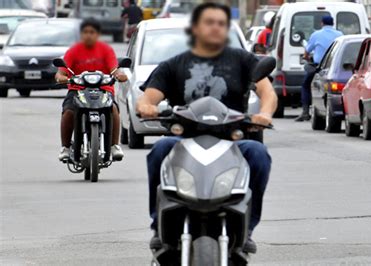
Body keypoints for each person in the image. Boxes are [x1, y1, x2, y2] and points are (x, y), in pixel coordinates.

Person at [136, 2, 277, 254]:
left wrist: (264, 114)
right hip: (185, 140)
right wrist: (147, 106)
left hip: (233, 140)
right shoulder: (173, 64)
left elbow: (267, 92)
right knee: (159, 149)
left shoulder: (243, 60)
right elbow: (149, 97)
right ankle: (159, 223)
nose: (215, 28)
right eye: (209, 23)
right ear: (196, 29)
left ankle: (248, 228)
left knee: (258, 153)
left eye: (221, 24)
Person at [56, 18, 127, 161]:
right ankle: (66, 147)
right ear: (81, 34)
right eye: (85, 32)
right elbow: (61, 73)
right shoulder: (73, 51)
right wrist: (61, 77)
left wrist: (119, 75)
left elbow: (114, 69)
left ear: (98, 34)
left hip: (103, 90)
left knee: (112, 109)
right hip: (78, 90)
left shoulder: (106, 50)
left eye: (92, 32)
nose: (88, 35)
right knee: (69, 111)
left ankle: (114, 146)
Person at [295, 16, 343, 122]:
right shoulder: (340, 35)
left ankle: (305, 112)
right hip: (335, 67)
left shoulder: (316, 34)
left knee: (305, 85)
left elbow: (307, 51)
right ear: (333, 23)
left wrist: (306, 57)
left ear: (322, 23)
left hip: (319, 67)